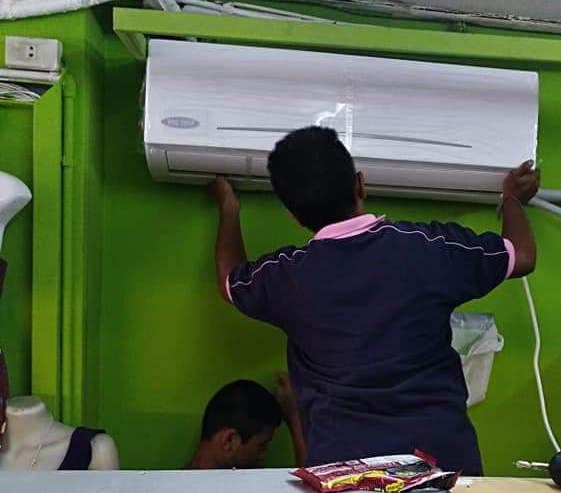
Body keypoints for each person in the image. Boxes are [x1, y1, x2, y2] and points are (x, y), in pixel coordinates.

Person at [212, 126, 539, 475]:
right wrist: (512, 199)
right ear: (360, 184)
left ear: (291, 214)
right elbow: (521, 255)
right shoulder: (427, 248)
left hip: (345, 476)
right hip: (441, 467)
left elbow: (229, 281)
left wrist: (229, 208)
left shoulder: (287, 278)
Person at [188, 376, 305, 469]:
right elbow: (306, 488)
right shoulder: (232, 488)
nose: (262, 456)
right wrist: (295, 419)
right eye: (261, 445)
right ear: (229, 441)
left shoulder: (178, 485)